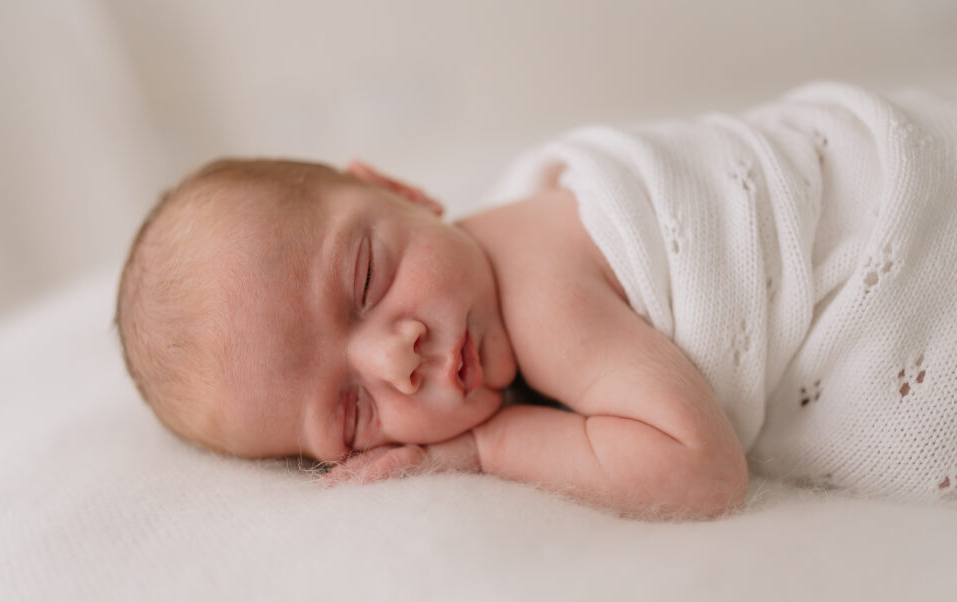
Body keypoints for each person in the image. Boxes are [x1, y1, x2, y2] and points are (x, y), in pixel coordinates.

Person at [116, 81, 957, 518]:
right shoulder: (480, 257)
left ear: (400, 187)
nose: (394, 359)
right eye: (350, 412)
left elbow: (701, 469)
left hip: (894, 220)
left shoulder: (540, 289)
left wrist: (487, 449)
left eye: (366, 280)